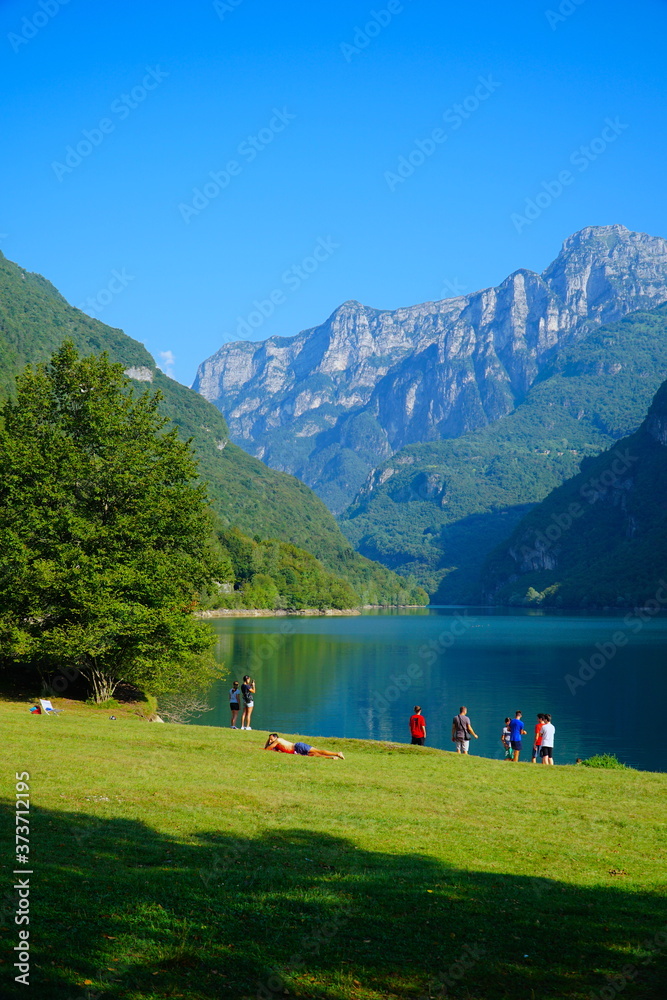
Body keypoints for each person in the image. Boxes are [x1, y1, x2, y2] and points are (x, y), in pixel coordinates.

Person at [263, 734, 345, 759]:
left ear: (276, 738)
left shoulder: (278, 740)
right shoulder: (277, 744)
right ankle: (331, 757)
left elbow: (267, 749)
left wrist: (268, 743)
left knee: (317, 751)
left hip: (298, 746)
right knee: (313, 755)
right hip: (296, 751)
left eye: (271, 739)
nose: (270, 741)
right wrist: (268, 740)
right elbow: (269, 749)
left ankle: (337, 753)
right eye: (269, 740)